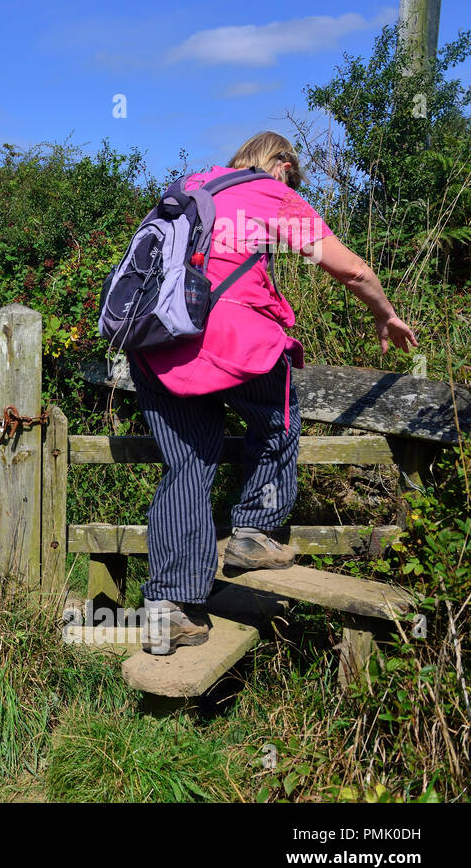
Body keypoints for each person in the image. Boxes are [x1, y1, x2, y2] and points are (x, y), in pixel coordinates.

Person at [128, 131, 418, 655]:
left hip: (156, 339)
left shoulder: (192, 185)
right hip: (231, 338)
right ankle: (254, 534)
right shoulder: (270, 191)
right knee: (277, 419)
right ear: (283, 163)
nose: (296, 183)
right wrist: (386, 314)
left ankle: (168, 608)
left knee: (188, 466)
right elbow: (351, 268)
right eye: (297, 175)